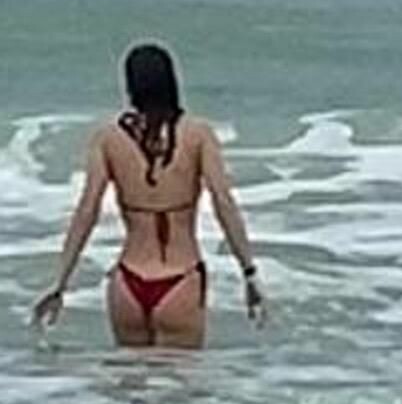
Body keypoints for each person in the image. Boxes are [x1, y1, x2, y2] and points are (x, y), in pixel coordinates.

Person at [32, 42, 266, 348]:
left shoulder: (107, 139)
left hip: (127, 283)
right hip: (180, 279)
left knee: (130, 376)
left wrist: (60, 284)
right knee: (180, 378)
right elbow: (223, 202)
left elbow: (87, 211)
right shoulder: (198, 135)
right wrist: (249, 273)